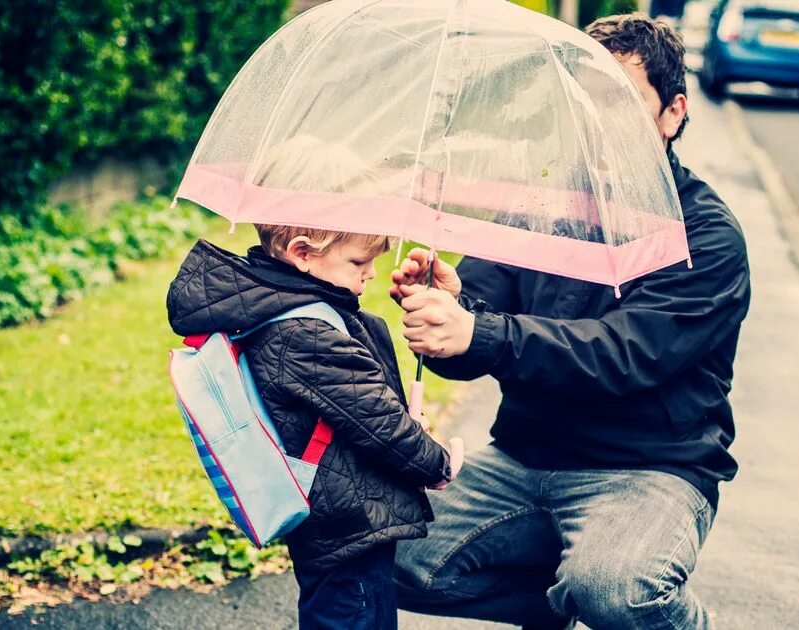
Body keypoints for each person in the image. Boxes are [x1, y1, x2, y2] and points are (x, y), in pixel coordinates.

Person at [391, 14, 751, 630]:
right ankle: (567, 599)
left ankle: (609, 599)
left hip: (649, 469)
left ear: (672, 113)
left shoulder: (706, 238)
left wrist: (481, 331)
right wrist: (453, 307)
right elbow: (478, 337)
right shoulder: (544, 206)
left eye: (620, 102)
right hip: (525, 457)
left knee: (618, 589)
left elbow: (623, 354)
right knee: (379, 549)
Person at [166, 136, 460, 630]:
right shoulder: (305, 333)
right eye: (358, 263)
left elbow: (360, 402)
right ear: (303, 252)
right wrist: (437, 461)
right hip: (349, 525)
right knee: (354, 616)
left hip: (341, 516)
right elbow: (380, 425)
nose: (371, 274)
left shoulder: (286, 305)